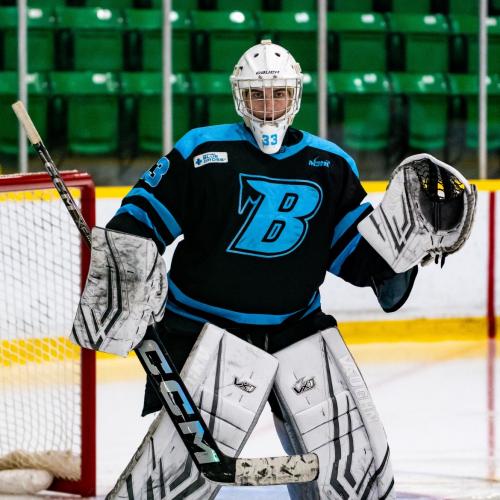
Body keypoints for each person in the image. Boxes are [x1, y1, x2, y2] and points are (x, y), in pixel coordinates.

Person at [72, 40, 476, 499]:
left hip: (296, 332)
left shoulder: (330, 165)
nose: (268, 106)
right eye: (257, 95)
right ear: (239, 96)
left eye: (278, 93)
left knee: (353, 472)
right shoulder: (203, 152)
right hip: (203, 332)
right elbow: (140, 218)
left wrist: (408, 246)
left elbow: (356, 259)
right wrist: (129, 270)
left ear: (295, 95)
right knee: (171, 481)